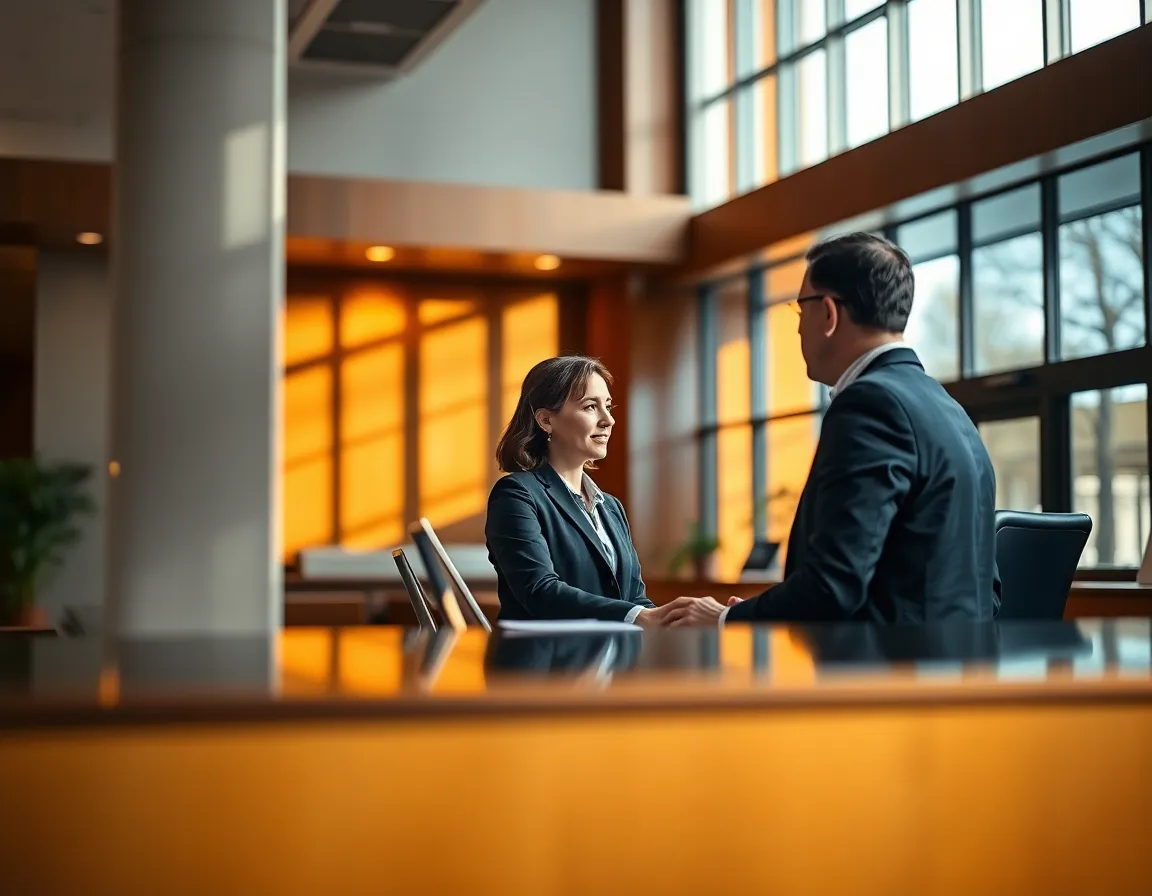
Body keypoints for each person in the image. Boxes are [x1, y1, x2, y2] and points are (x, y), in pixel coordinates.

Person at [664, 232, 1001, 626]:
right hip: (955, 671)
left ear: (828, 312)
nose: (797, 328)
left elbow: (832, 587)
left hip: (883, 675)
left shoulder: (871, 404)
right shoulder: (946, 408)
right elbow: (981, 587)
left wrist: (726, 618)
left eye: (798, 310)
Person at [485, 355, 667, 625]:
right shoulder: (516, 495)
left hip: (612, 662)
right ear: (546, 420)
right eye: (590, 407)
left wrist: (671, 618)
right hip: (544, 663)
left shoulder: (611, 506)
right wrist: (638, 616)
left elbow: (635, 600)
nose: (609, 420)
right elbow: (539, 592)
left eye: (608, 406)